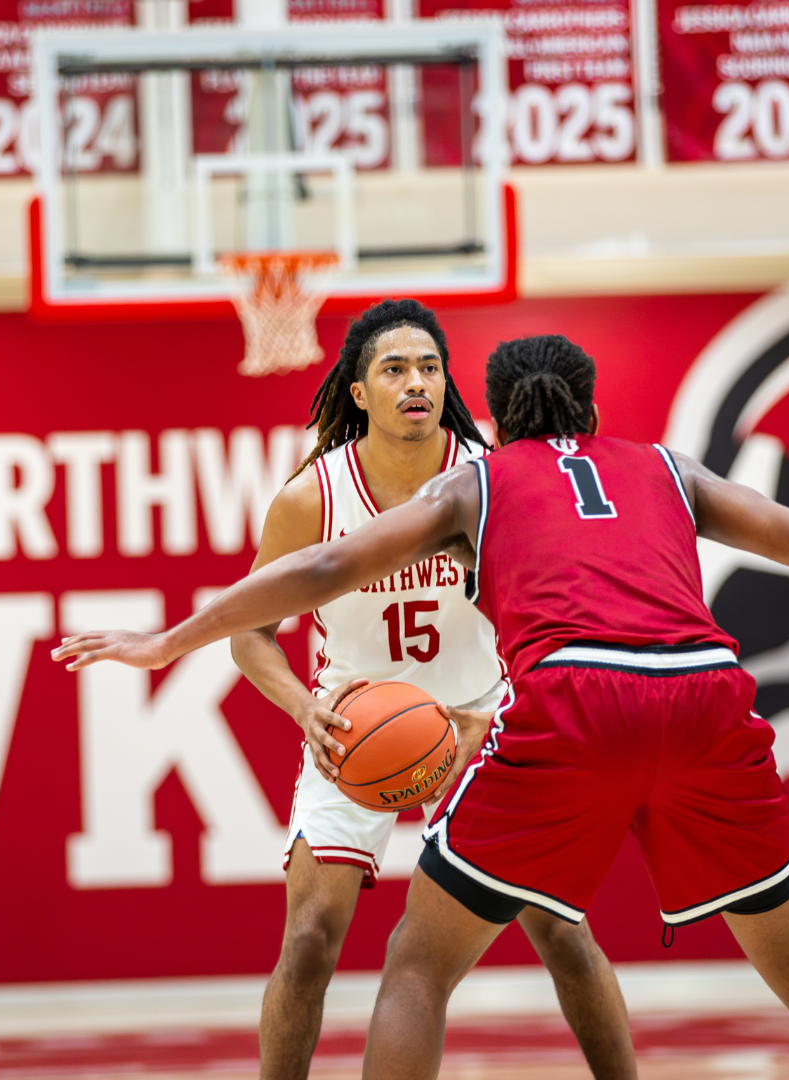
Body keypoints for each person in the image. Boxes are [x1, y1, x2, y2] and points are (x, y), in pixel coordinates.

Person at [52, 334, 789, 1080]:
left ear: (495, 416)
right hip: (703, 694)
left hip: (567, 700)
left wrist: (168, 639)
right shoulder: (664, 467)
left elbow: (324, 565)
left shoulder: (479, 482)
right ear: (592, 408)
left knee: (419, 967)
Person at [236, 302, 636, 1080]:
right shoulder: (312, 499)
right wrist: (302, 706)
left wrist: (498, 710)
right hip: (355, 730)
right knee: (310, 937)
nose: (416, 382)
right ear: (359, 393)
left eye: (429, 368)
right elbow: (249, 632)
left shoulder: (490, 475)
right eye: (394, 369)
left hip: (479, 728)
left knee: (562, 931)